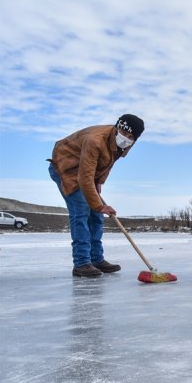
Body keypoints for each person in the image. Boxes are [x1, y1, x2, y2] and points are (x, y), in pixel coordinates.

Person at [47, 114, 145, 277]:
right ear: (117, 127)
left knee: (97, 217)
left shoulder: (125, 144)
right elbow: (84, 178)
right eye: (123, 132)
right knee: (82, 211)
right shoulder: (95, 140)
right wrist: (100, 206)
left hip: (86, 171)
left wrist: (100, 181)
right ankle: (82, 263)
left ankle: (96, 259)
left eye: (130, 137)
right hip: (66, 168)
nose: (125, 138)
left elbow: (109, 163)